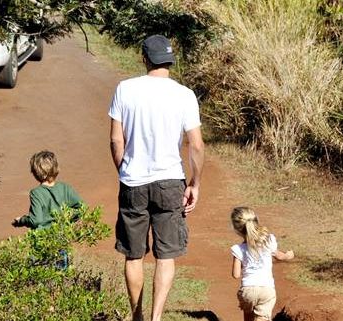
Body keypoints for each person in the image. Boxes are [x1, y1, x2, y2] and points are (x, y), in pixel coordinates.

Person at [109, 34, 205, 321]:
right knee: (166, 256)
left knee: (133, 254)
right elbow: (196, 145)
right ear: (170, 61)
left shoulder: (125, 89)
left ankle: (136, 315)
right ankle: (156, 318)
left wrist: (124, 171)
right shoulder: (184, 94)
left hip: (133, 181)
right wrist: (194, 183)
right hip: (170, 181)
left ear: (144, 58)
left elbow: (116, 141)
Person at [230, 207, 295, 321]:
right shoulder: (269, 241)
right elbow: (280, 256)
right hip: (267, 289)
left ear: (237, 229)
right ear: (256, 221)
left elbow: (236, 275)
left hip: (247, 291)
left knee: (248, 316)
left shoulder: (238, 249)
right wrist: (289, 255)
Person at [12, 150, 83, 229]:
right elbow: (82, 208)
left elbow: (36, 221)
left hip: (44, 238)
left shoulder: (36, 193)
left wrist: (22, 220)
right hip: (63, 235)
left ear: (36, 173)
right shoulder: (65, 188)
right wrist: (69, 221)